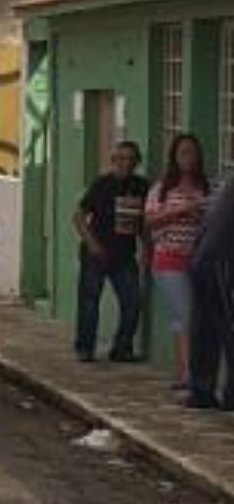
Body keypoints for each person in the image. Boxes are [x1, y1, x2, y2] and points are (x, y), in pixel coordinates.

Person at [73, 141, 150, 363]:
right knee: (89, 303)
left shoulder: (142, 187)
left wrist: (147, 251)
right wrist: (92, 244)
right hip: (96, 254)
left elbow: (144, 224)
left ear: (137, 162)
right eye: (121, 158)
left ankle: (121, 348)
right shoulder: (102, 184)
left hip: (124, 256)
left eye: (130, 159)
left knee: (132, 302)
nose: (125, 163)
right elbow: (78, 217)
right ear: (113, 161)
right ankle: (85, 348)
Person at [145, 134, 211, 388]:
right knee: (186, 314)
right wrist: (180, 210)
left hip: (198, 259)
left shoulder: (206, 187)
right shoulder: (162, 188)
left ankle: (183, 371)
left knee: (180, 318)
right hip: (169, 258)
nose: (188, 158)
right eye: (183, 152)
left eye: (192, 152)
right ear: (174, 156)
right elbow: (150, 221)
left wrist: (201, 211)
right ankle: (190, 374)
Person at [186, 177, 234, 409]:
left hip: (203, 259)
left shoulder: (227, 185)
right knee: (227, 325)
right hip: (220, 258)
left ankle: (201, 391)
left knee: (204, 326)